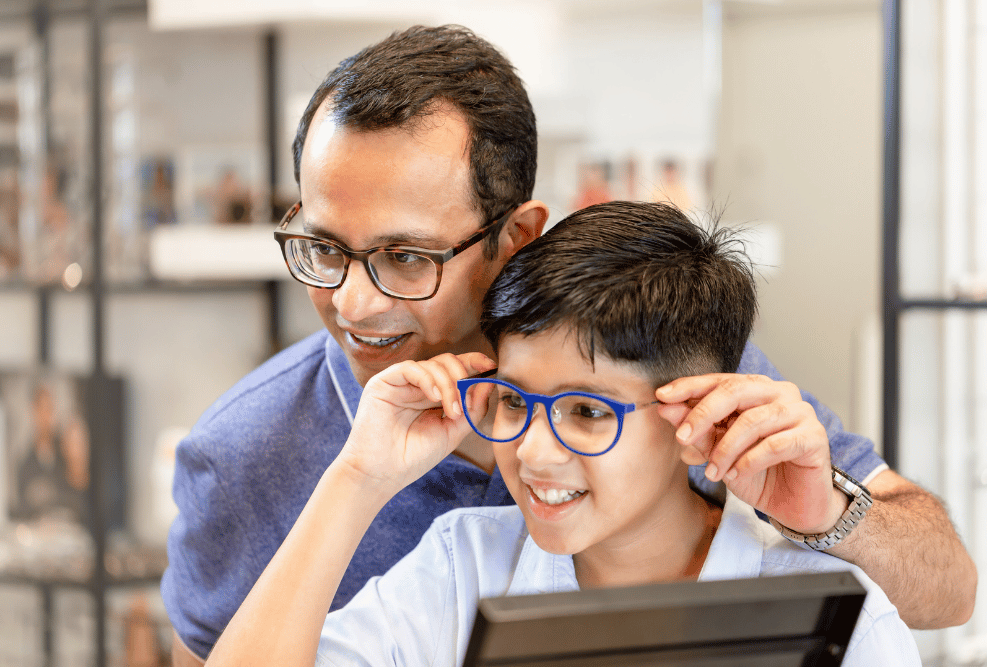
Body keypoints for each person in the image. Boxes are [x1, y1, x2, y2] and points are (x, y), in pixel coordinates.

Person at [162, 24, 974, 666]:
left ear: (516, 236)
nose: (351, 300)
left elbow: (947, 592)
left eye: (406, 257)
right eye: (326, 246)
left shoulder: (668, 362)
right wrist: (355, 481)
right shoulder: (245, 456)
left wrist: (832, 515)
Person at [205, 201, 920, 665]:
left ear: (693, 415)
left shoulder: (835, 610)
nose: (534, 452)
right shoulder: (463, 569)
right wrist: (357, 478)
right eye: (514, 402)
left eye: (587, 411)